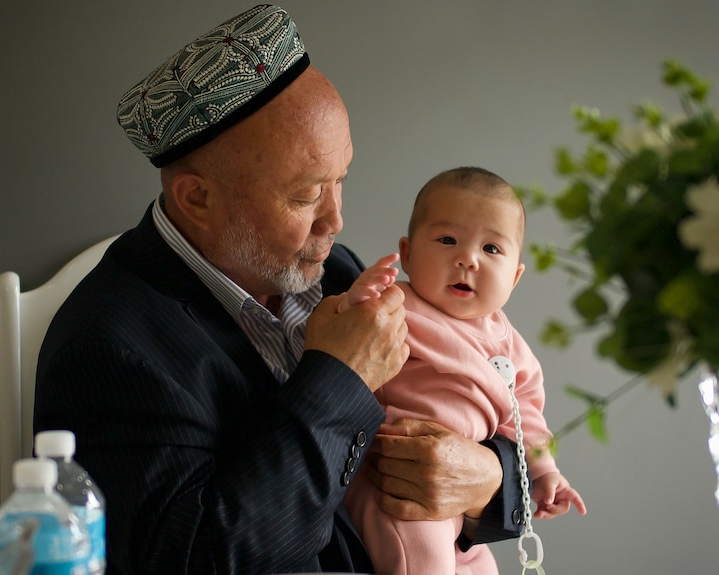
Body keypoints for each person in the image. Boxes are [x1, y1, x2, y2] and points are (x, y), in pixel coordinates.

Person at [33, 6, 527, 575]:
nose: (336, 220)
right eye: (305, 195)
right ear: (197, 199)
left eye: (341, 178)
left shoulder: (336, 271)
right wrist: (340, 378)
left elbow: (458, 401)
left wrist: (488, 480)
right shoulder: (107, 351)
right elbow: (197, 558)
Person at [342, 167, 587, 575]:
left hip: (465, 498)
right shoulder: (397, 304)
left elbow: (525, 418)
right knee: (423, 563)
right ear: (406, 253)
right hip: (398, 483)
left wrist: (546, 474)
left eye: (491, 249)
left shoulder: (512, 346)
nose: (466, 259)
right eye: (447, 240)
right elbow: (347, 339)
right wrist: (359, 298)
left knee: (481, 567)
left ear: (515, 276)